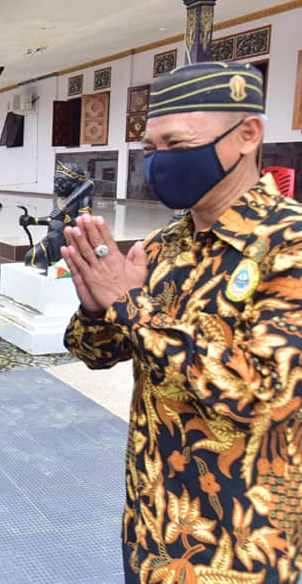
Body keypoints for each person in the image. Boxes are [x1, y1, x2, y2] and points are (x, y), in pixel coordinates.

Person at [61, 61, 302, 583]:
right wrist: (98, 310)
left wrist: (129, 305)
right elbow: (97, 353)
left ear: (247, 134)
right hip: (152, 529)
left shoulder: (290, 245)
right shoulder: (167, 243)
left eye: (177, 145)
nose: (160, 163)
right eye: (151, 150)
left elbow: (262, 396)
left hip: (240, 551)